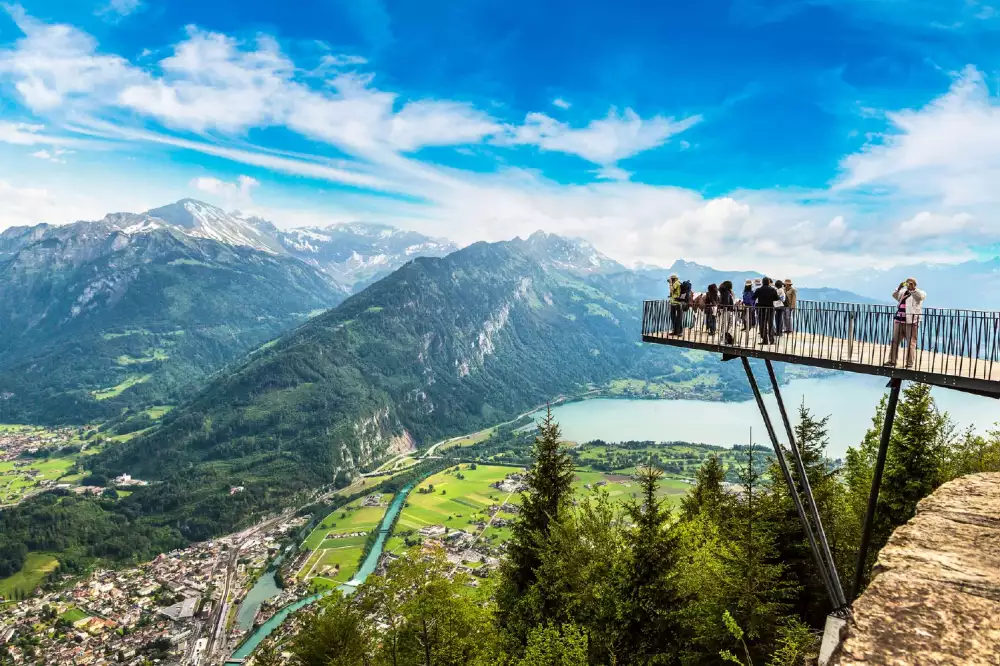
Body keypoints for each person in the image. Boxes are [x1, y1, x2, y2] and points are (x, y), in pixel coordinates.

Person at [884, 277, 926, 368]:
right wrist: (899, 287)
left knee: (911, 343)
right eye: (907, 283)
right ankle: (892, 361)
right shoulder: (903, 292)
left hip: (911, 322)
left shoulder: (920, 293)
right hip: (899, 320)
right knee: (895, 341)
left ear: (914, 284)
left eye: (910, 283)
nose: (908, 285)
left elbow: (919, 298)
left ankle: (909, 363)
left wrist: (913, 289)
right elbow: (895, 296)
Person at [754, 277, 781, 345]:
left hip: (761, 308)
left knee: (762, 324)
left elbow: (753, 297)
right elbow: (777, 298)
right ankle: (771, 340)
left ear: (762, 282)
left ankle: (764, 340)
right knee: (770, 324)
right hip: (770, 308)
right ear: (769, 282)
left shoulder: (759, 289)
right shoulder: (772, 290)